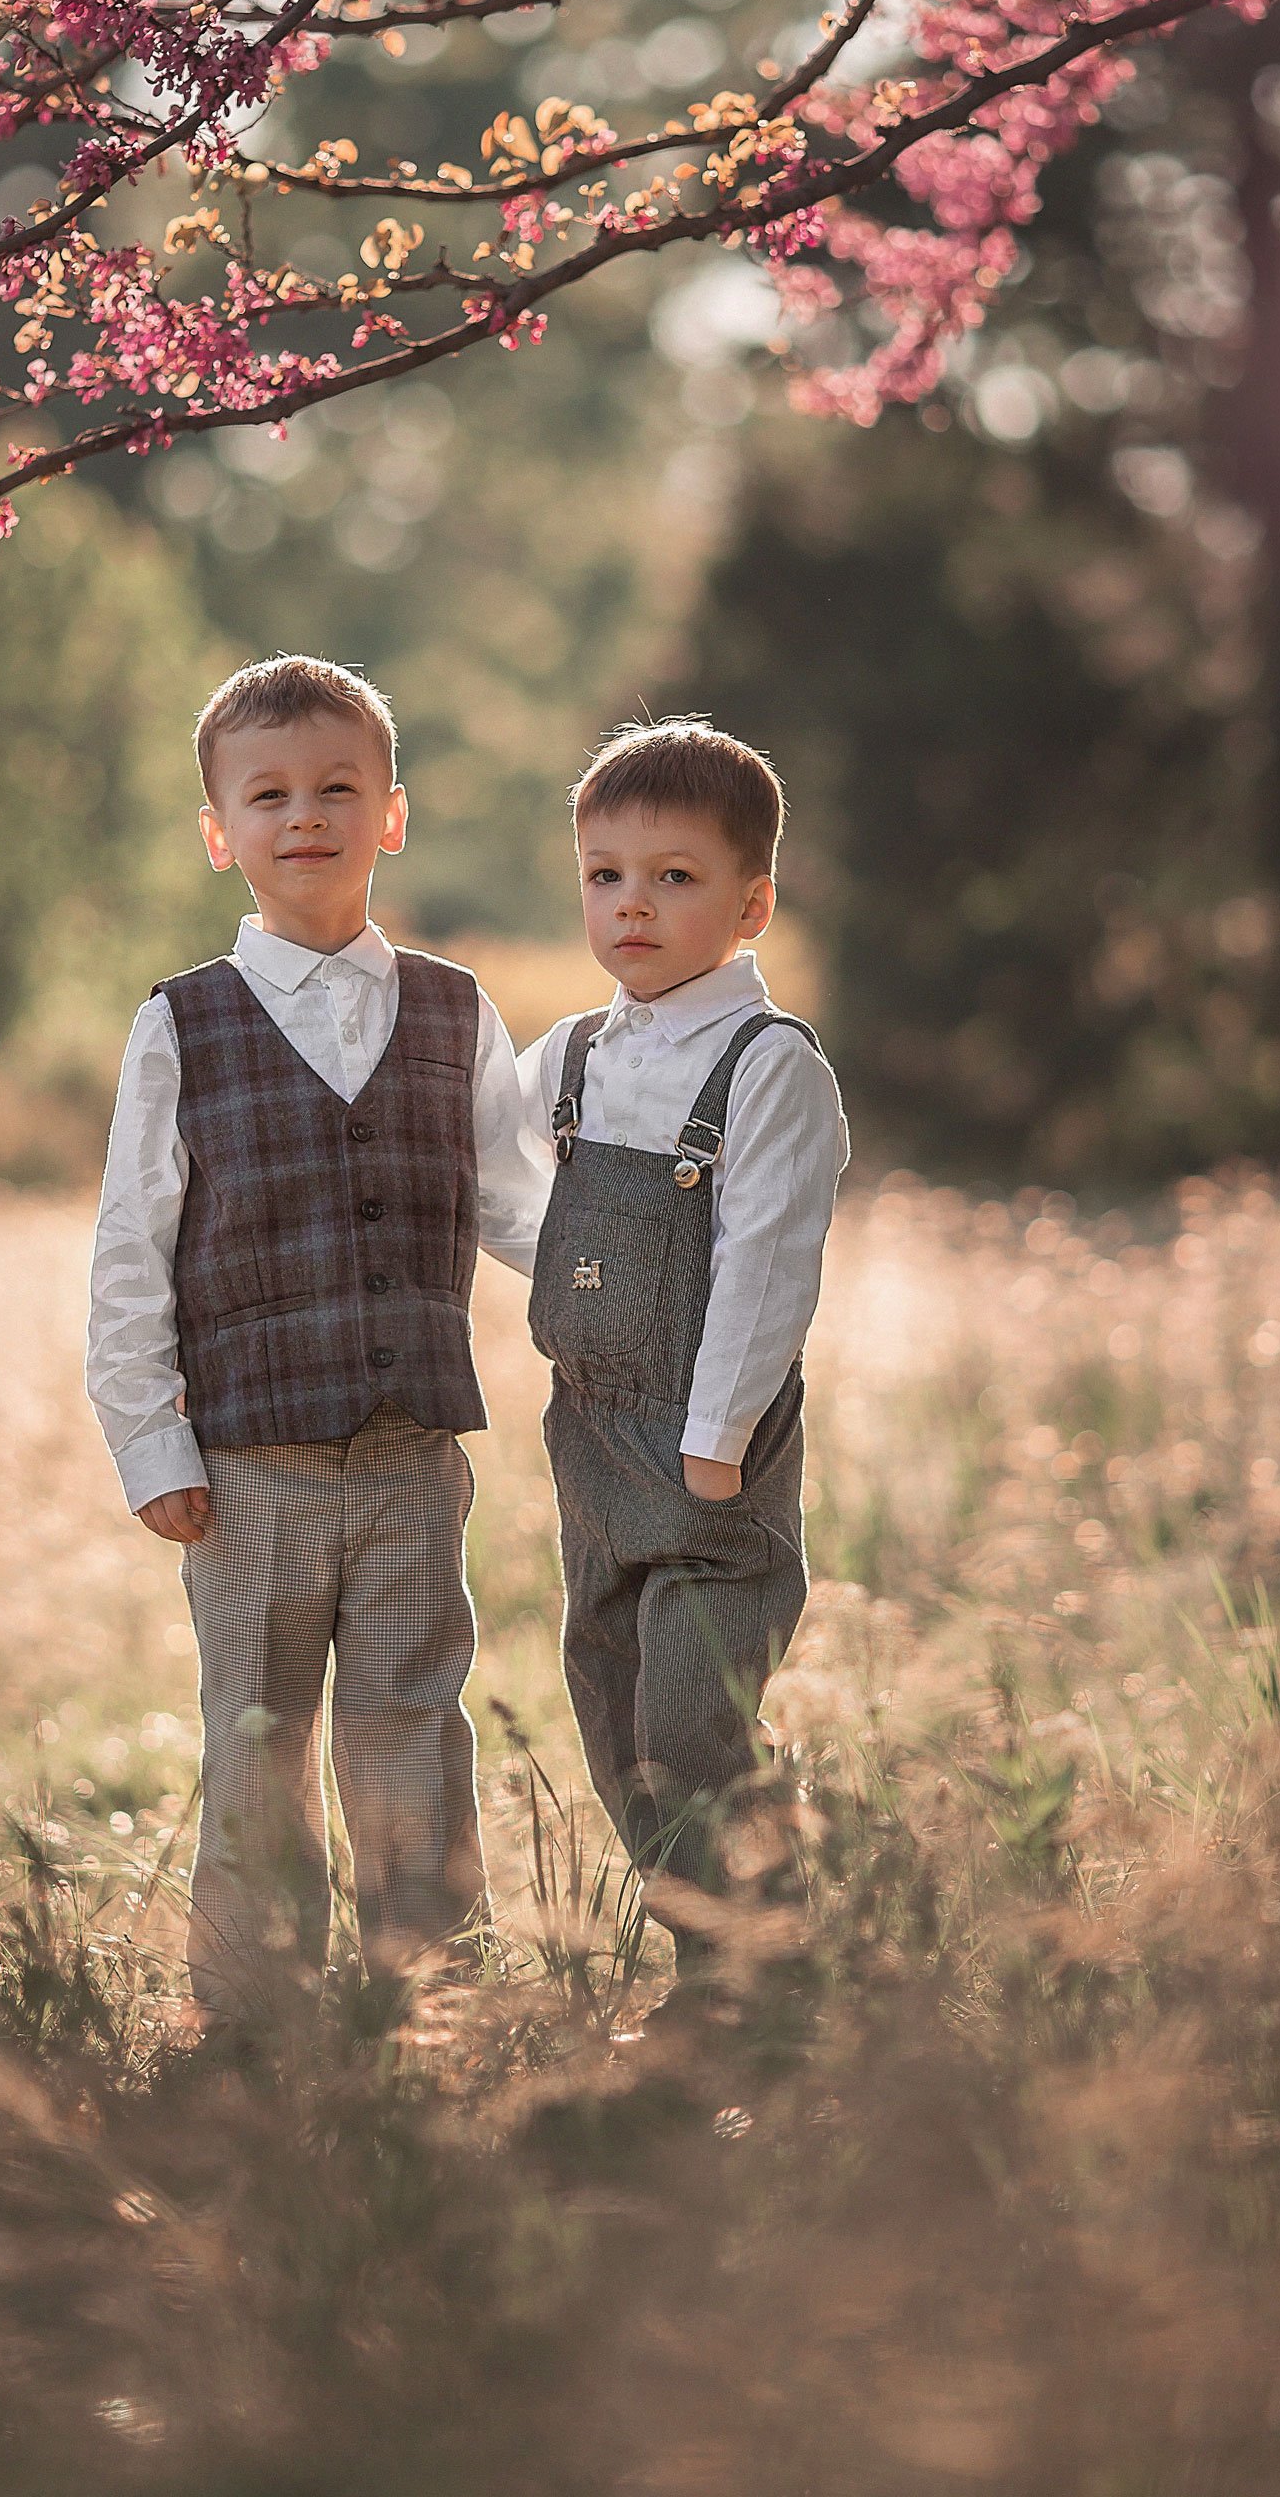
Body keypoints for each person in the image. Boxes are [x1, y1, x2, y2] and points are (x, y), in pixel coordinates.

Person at [86, 655, 549, 2020]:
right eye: (270, 793)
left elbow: (520, 1199)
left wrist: (627, 1291)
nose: (306, 816)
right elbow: (132, 1247)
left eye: (338, 789)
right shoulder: (181, 1023)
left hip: (414, 1458)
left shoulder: (458, 1009)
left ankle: (429, 1989)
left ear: (390, 815)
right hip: (248, 1466)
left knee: (414, 1720)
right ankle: (257, 2011)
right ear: (218, 831)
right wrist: (149, 1438)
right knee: (259, 1735)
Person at [521, 717, 847, 1973]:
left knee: (689, 1723)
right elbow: (511, 1198)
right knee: (608, 1702)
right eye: (604, 875)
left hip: (708, 1447)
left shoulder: (767, 1066)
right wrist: (560, 1282)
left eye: (673, 877)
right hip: (591, 1432)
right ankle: (712, 1956)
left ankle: (760, 1974)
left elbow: (767, 1263)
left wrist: (714, 1439)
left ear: (750, 902)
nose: (631, 906)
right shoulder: (572, 1054)